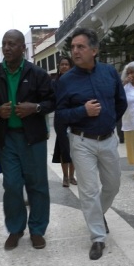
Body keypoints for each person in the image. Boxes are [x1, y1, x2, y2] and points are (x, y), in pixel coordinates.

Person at [56, 27, 128, 260]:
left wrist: (108, 120)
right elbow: (60, 115)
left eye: (81, 46)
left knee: (113, 185)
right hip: (82, 141)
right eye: (73, 47)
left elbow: (121, 102)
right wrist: (82, 111)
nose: (75, 51)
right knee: (88, 191)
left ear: (94, 50)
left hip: (107, 140)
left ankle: (98, 214)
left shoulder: (109, 73)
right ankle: (97, 237)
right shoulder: (66, 81)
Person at [0, 29, 55, 251]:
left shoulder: (37, 73)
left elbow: (52, 101)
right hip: (8, 140)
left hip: (33, 139)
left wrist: (34, 108)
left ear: (23, 48)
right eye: (4, 43)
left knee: (38, 185)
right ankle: (15, 229)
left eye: (12, 44)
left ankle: (37, 230)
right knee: (12, 185)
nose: (6, 48)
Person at [52, 56, 76, 187]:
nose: (64, 66)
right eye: (62, 64)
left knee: (74, 147)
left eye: (67, 64)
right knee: (63, 148)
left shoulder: (76, 82)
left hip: (74, 118)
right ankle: (65, 177)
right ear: (59, 67)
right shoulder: (55, 83)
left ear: (71, 67)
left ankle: (72, 176)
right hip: (60, 119)